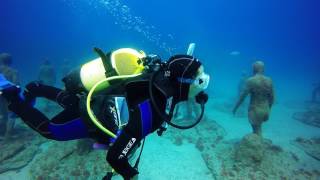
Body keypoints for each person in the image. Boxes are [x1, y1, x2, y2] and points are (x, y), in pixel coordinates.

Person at [0, 47, 210, 180]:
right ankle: (11, 96)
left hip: (98, 98)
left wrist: (198, 94)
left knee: (72, 101)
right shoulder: (152, 113)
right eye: (200, 81)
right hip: (91, 116)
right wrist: (131, 175)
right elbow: (115, 158)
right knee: (50, 131)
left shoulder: (160, 78)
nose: (204, 84)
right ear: (181, 81)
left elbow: (178, 90)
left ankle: (36, 87)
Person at [233, 61, 274, 136]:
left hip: (255, 110)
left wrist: (235, 108)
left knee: (256, 132)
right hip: (266, 110)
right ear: (263, 69)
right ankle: (260, 143)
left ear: (254, 69)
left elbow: (242, 97)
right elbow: (272, 97)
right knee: (259, 129)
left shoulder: (251, 81)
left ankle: (259, 145)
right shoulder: (269, 80)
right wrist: (269, 109)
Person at [0, 53, 20, 141]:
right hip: (9, 95)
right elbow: (16, 84)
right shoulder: (13, 71)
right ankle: (8, 136)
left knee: (2, 113)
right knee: (11, 114)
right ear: (10, 61)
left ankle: (2, 132)